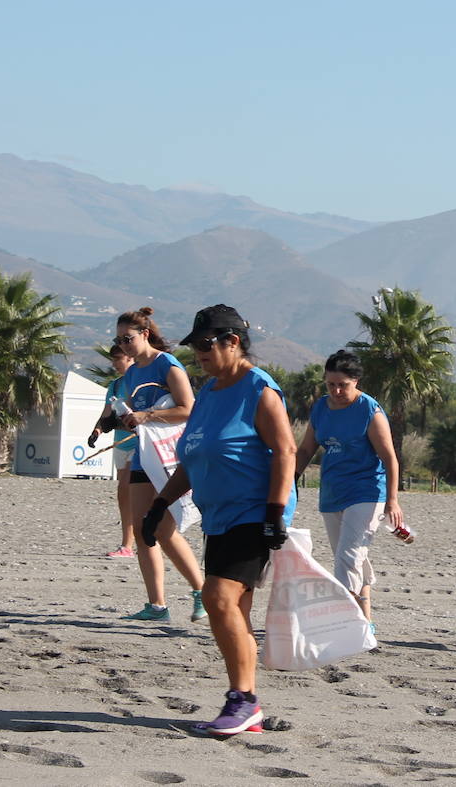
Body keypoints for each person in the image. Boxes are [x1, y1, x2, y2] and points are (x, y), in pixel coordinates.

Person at [146, 304, 297, 736]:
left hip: (255, 512)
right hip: (220, 516)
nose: (200, 354)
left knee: (216, 598)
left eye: (206, 345)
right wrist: (159, 505)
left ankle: (243, 700)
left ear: (232, 342)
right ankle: (246, 702)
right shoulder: (209, 393)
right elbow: (192, 457)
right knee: (233, 611)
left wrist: (273, 513)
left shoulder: (258, 388)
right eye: (195, 347)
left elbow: (285, 451)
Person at [294, 349, 401, 630]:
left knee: (349, 556)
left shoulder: (369, 410)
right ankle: (365, 621)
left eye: (343, 385)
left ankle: (344, 621)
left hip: (367, 491)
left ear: (356, 382)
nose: (337, 390)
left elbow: (389, 457)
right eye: (331, 384)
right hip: (332, 492)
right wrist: (288, 480)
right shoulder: (320, 408)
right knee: (349, 555)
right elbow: (306, 449)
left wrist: (393, 501)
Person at [114, 307, 206, 623]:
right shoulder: (131, 373)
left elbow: (188, 408)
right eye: (119, 340)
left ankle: (200, 590)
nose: (123, 345)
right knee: (143, 531)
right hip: (144, 454)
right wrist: (131, 420)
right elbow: (141, 415)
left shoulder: (167, 364)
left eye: (128, 338)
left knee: (165, 531)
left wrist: (148, 416)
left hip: (170, 458)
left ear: (145, 334)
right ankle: (156, 605)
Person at [89, 345, 138, 559]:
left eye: (118, 358)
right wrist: (97, 431)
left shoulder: (140, 383)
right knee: (124, 496)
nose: (114, 363)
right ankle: (127, 543)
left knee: (126, 488)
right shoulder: (115, 386)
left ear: (130, 357)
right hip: (121, 445)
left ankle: (131, 544)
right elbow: (106, 415)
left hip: (139, 444)